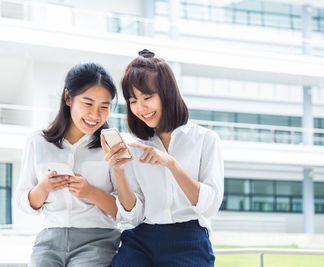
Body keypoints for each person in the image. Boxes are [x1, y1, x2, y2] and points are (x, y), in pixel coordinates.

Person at [101, 49, 224, 267]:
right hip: (142, 238)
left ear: (167, 93)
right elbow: (133, 216)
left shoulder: (205, 139)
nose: (141, 108)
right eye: (133, 101)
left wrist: (171, 163)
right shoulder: (134, 146)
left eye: (147, 97)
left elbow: (210, 206)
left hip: (189, 237)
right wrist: (119, 172)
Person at [15, 62, 120, 267]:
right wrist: (44, 187)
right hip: (48, 242)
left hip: (98, 241)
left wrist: (90, 192)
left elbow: (126, 211)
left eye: (104, 107)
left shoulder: (112, 145)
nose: (95, 115)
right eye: (88, 104)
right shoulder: (37, 141)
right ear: (67, 98)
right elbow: (23, 203)